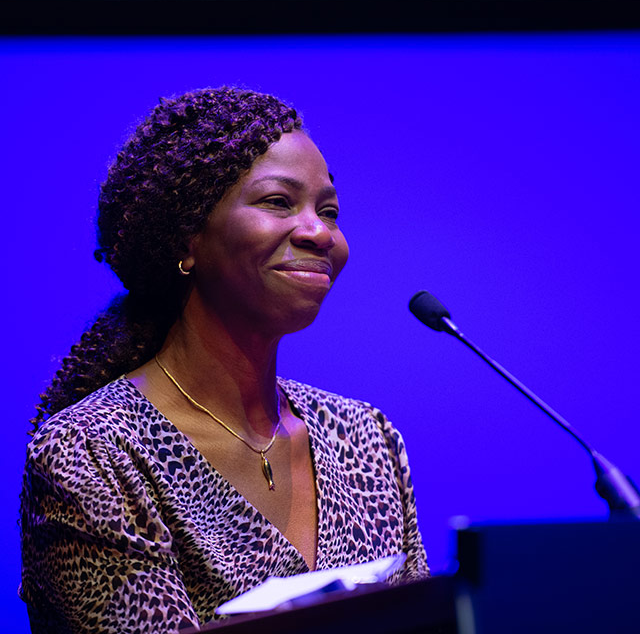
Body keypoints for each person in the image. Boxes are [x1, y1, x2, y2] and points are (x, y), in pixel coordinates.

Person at [20, 87, 428, 634]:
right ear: (185, 238)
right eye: (278, 202)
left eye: (328, 210)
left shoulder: (366, 438)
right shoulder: (95, 454)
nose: (319, 232)